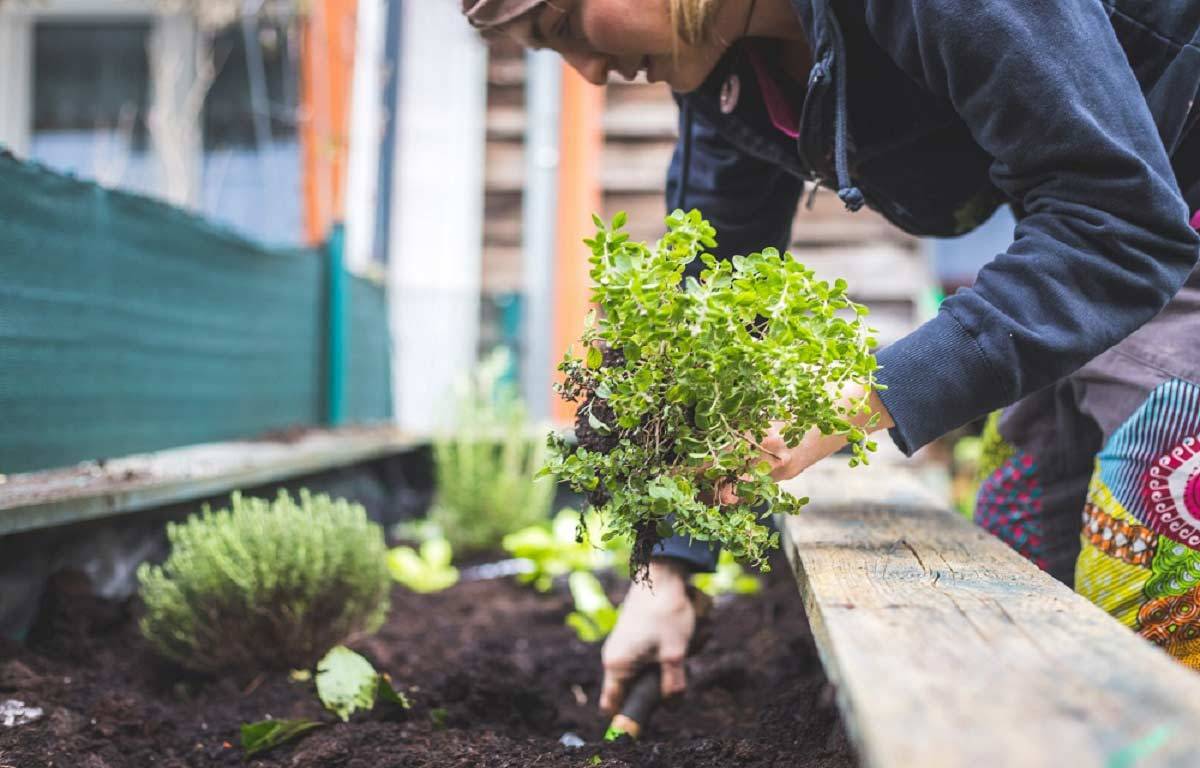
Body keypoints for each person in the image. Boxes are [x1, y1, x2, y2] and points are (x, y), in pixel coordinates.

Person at [461, 0, 1200, 708]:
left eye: (563, 22)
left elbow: (1117, 224)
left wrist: (854, 399)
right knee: (1023, 559)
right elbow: (708, 299)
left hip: (1156, 220)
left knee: (1158, 556)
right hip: (1122, 241)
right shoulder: (732, 67)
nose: (586, 73)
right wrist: (667, 570)